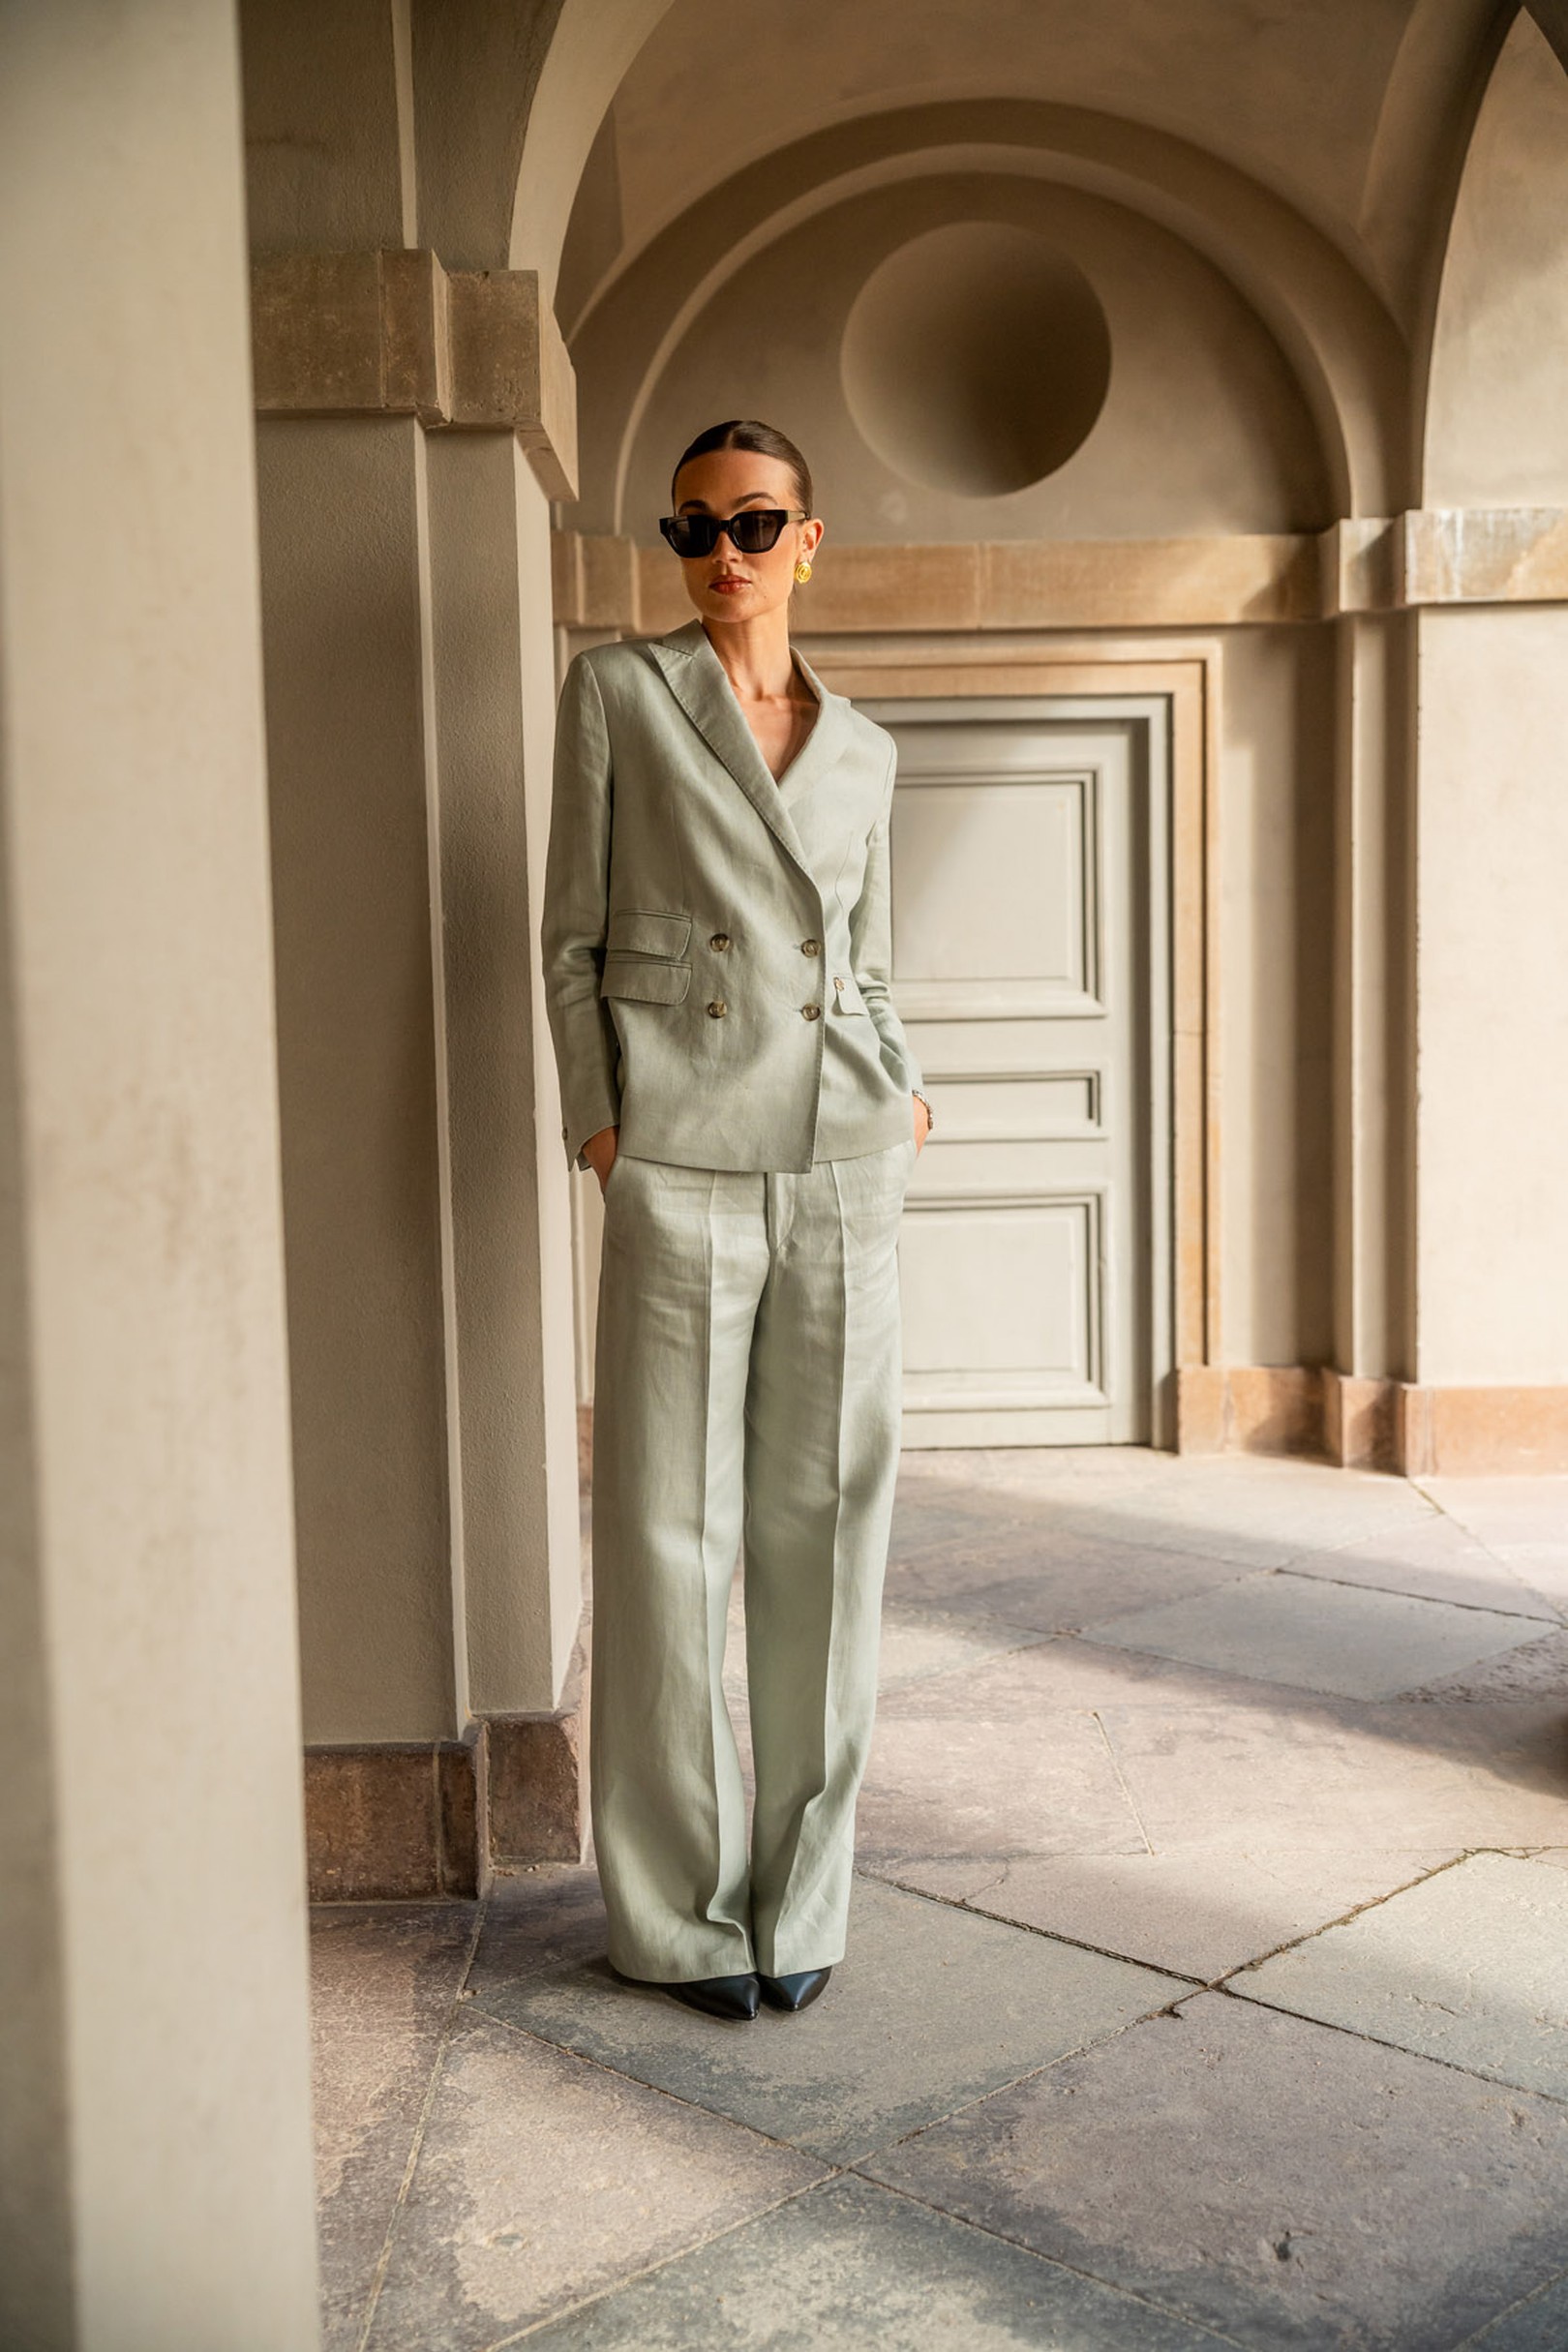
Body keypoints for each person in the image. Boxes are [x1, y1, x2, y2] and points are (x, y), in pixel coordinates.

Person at [540, 419, 931, 2024]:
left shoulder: (866, 750)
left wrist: (903, 1083)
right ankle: (682, 1915)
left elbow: (877, 957)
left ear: (809, 540)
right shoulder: (621, 697)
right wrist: (603, 1115)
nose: (721, 558)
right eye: (691, 529)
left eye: (754, 526)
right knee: (663, 1537)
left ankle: (804, 1896)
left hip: (841, 1155)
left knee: (825, 1533)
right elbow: (569, 933)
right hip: (683, 1156)